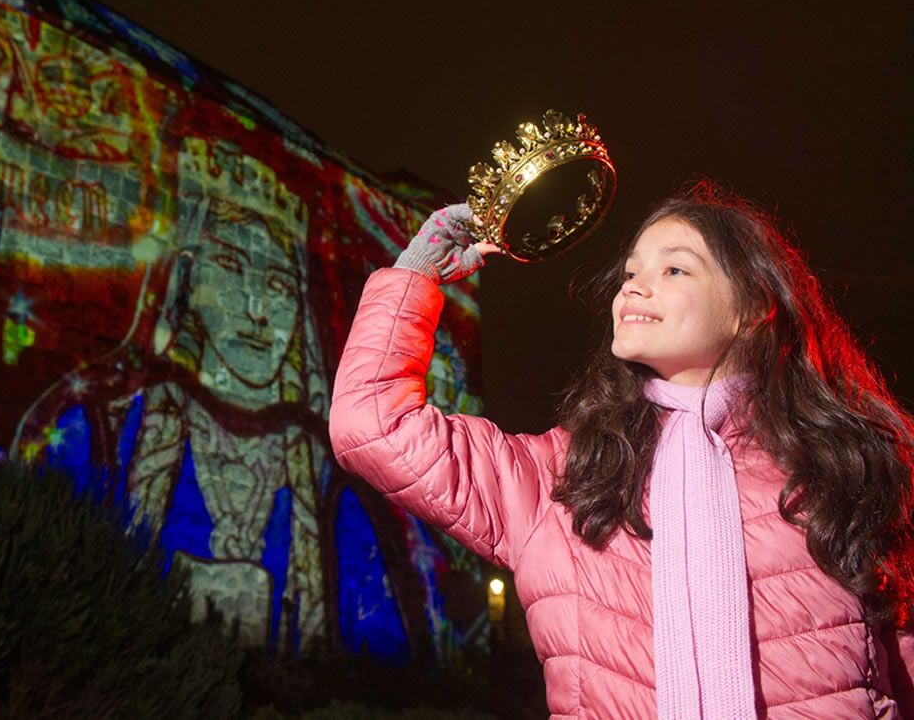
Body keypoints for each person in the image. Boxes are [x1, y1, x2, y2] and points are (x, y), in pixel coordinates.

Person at [329, 180, 914, 718]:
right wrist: (416, 274)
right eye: (631, 271)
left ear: (753, 308)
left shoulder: (843, 471)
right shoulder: (564, 477)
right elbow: (374, 425)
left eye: (675, 270)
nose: (634, 284)